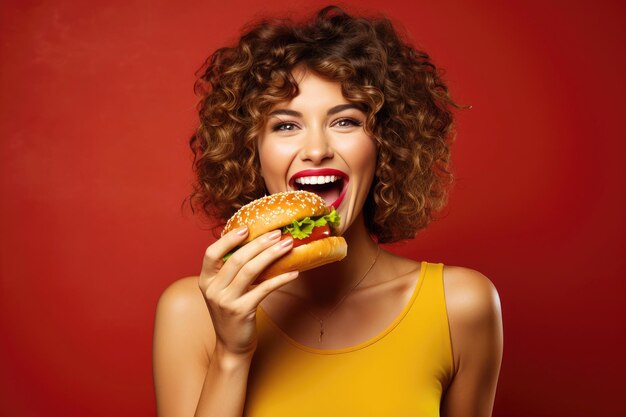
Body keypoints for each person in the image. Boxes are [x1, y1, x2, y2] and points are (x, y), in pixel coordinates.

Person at [153, 5, 503, 417]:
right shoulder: (190, 311)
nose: (317, 149)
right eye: (285, 125)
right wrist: (231, 353)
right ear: (251, 151)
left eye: (346, 122)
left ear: (385, 144)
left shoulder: (460, 305)